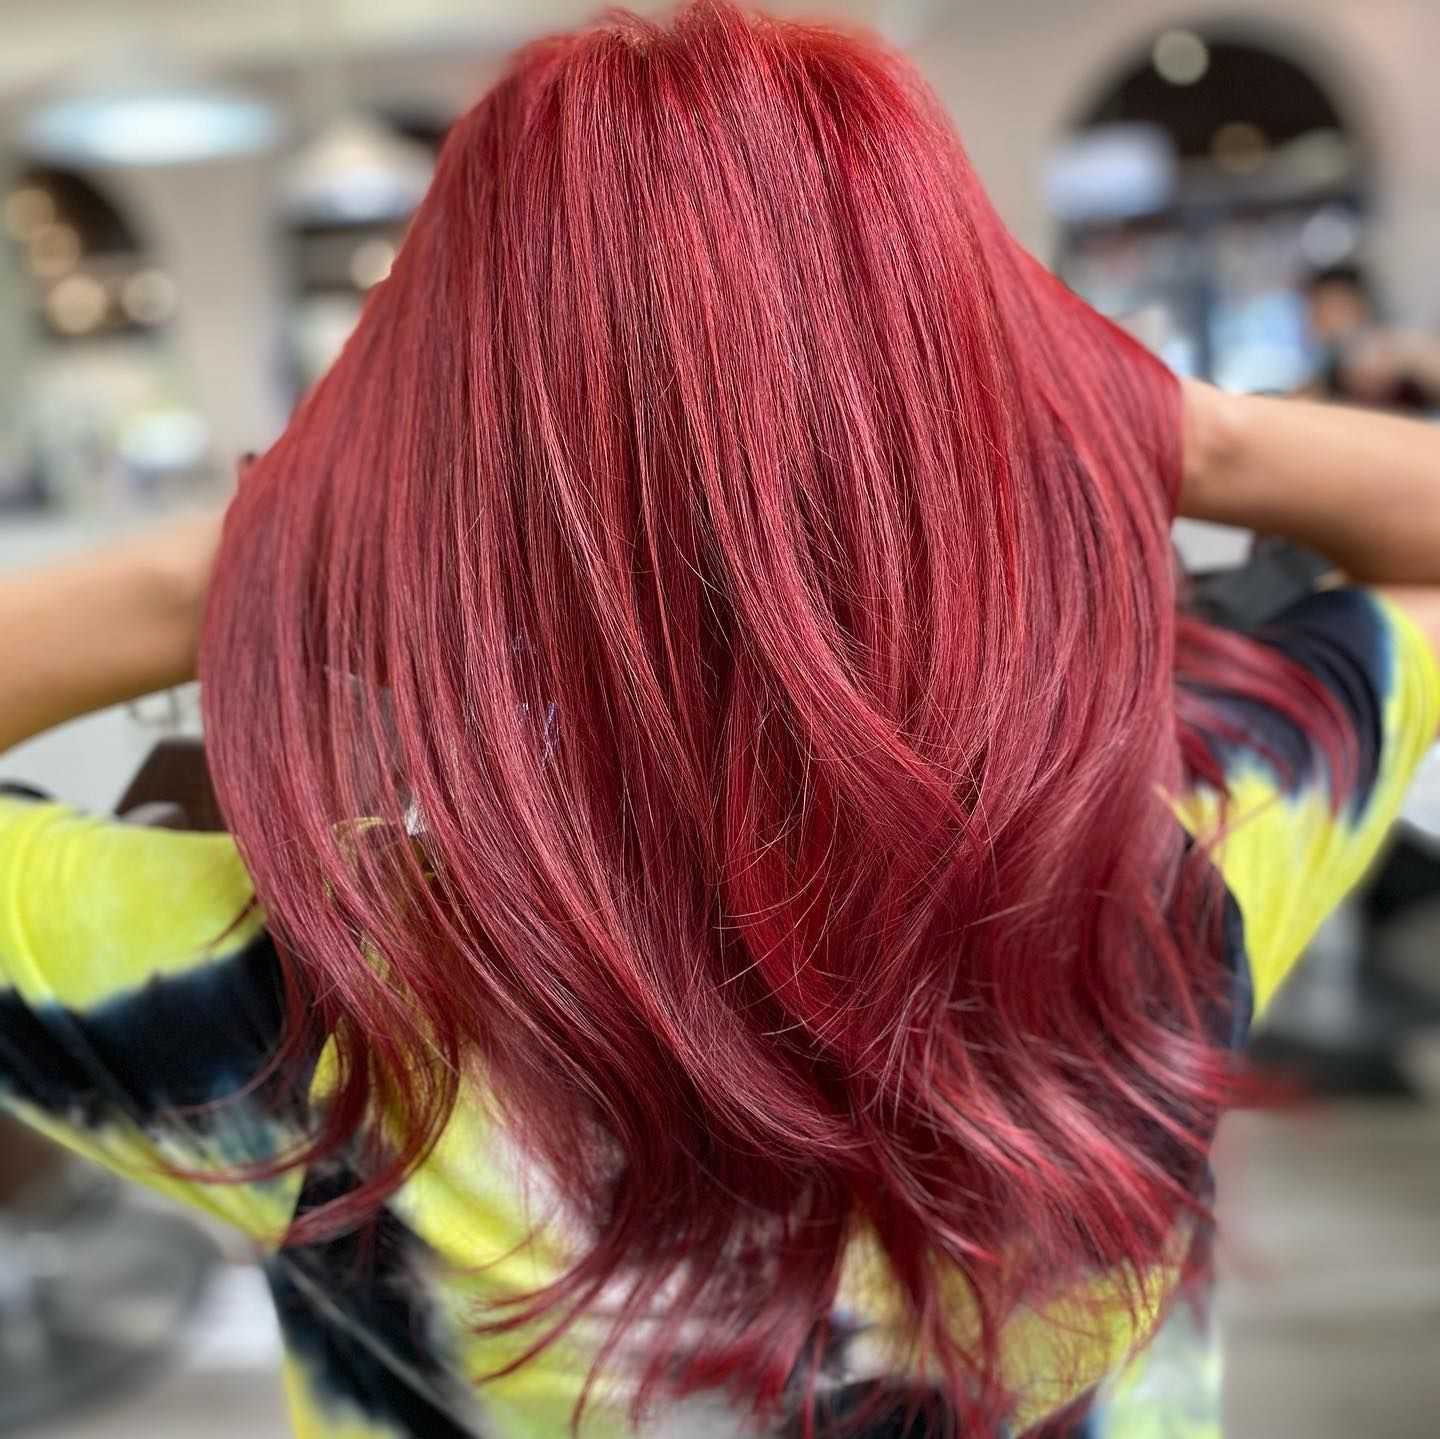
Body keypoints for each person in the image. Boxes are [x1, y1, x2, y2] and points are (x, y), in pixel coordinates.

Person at [2, 5, 1439, 1436]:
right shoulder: (1160, 874)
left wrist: (258, 549)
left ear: (455, 497)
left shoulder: (315, 1007)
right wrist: (1181, 426)